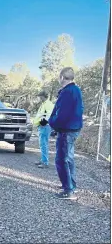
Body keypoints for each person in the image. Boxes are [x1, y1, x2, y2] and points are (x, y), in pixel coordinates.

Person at [49, 67, 84, 200]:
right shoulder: (76, 90)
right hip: (73, 128)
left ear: (62, 77)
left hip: (66, 130)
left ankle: (68, 190)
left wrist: (52, 122)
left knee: (62, 159)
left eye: (59, 77)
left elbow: (62, 114)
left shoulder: (68, 92)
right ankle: (71, 185)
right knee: (69, 158)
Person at [33, 90, 54, 169]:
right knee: (42, 144)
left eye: (40, 96)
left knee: (43, 144)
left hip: (45, 126)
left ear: (43, 96)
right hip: (42, 126)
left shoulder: (48, 104)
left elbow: (49, 114)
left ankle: (45, 162)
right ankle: (43, 160)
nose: (39, 97)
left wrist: (44, 122)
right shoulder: (44, 104)